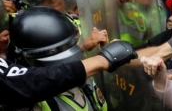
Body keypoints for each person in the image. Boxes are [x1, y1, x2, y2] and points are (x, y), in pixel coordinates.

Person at [2, 6, 137, 110]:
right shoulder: (30, 100)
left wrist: (84, 49)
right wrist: (103, 60)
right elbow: (32, 80)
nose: (67, 59)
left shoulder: (84, 77)